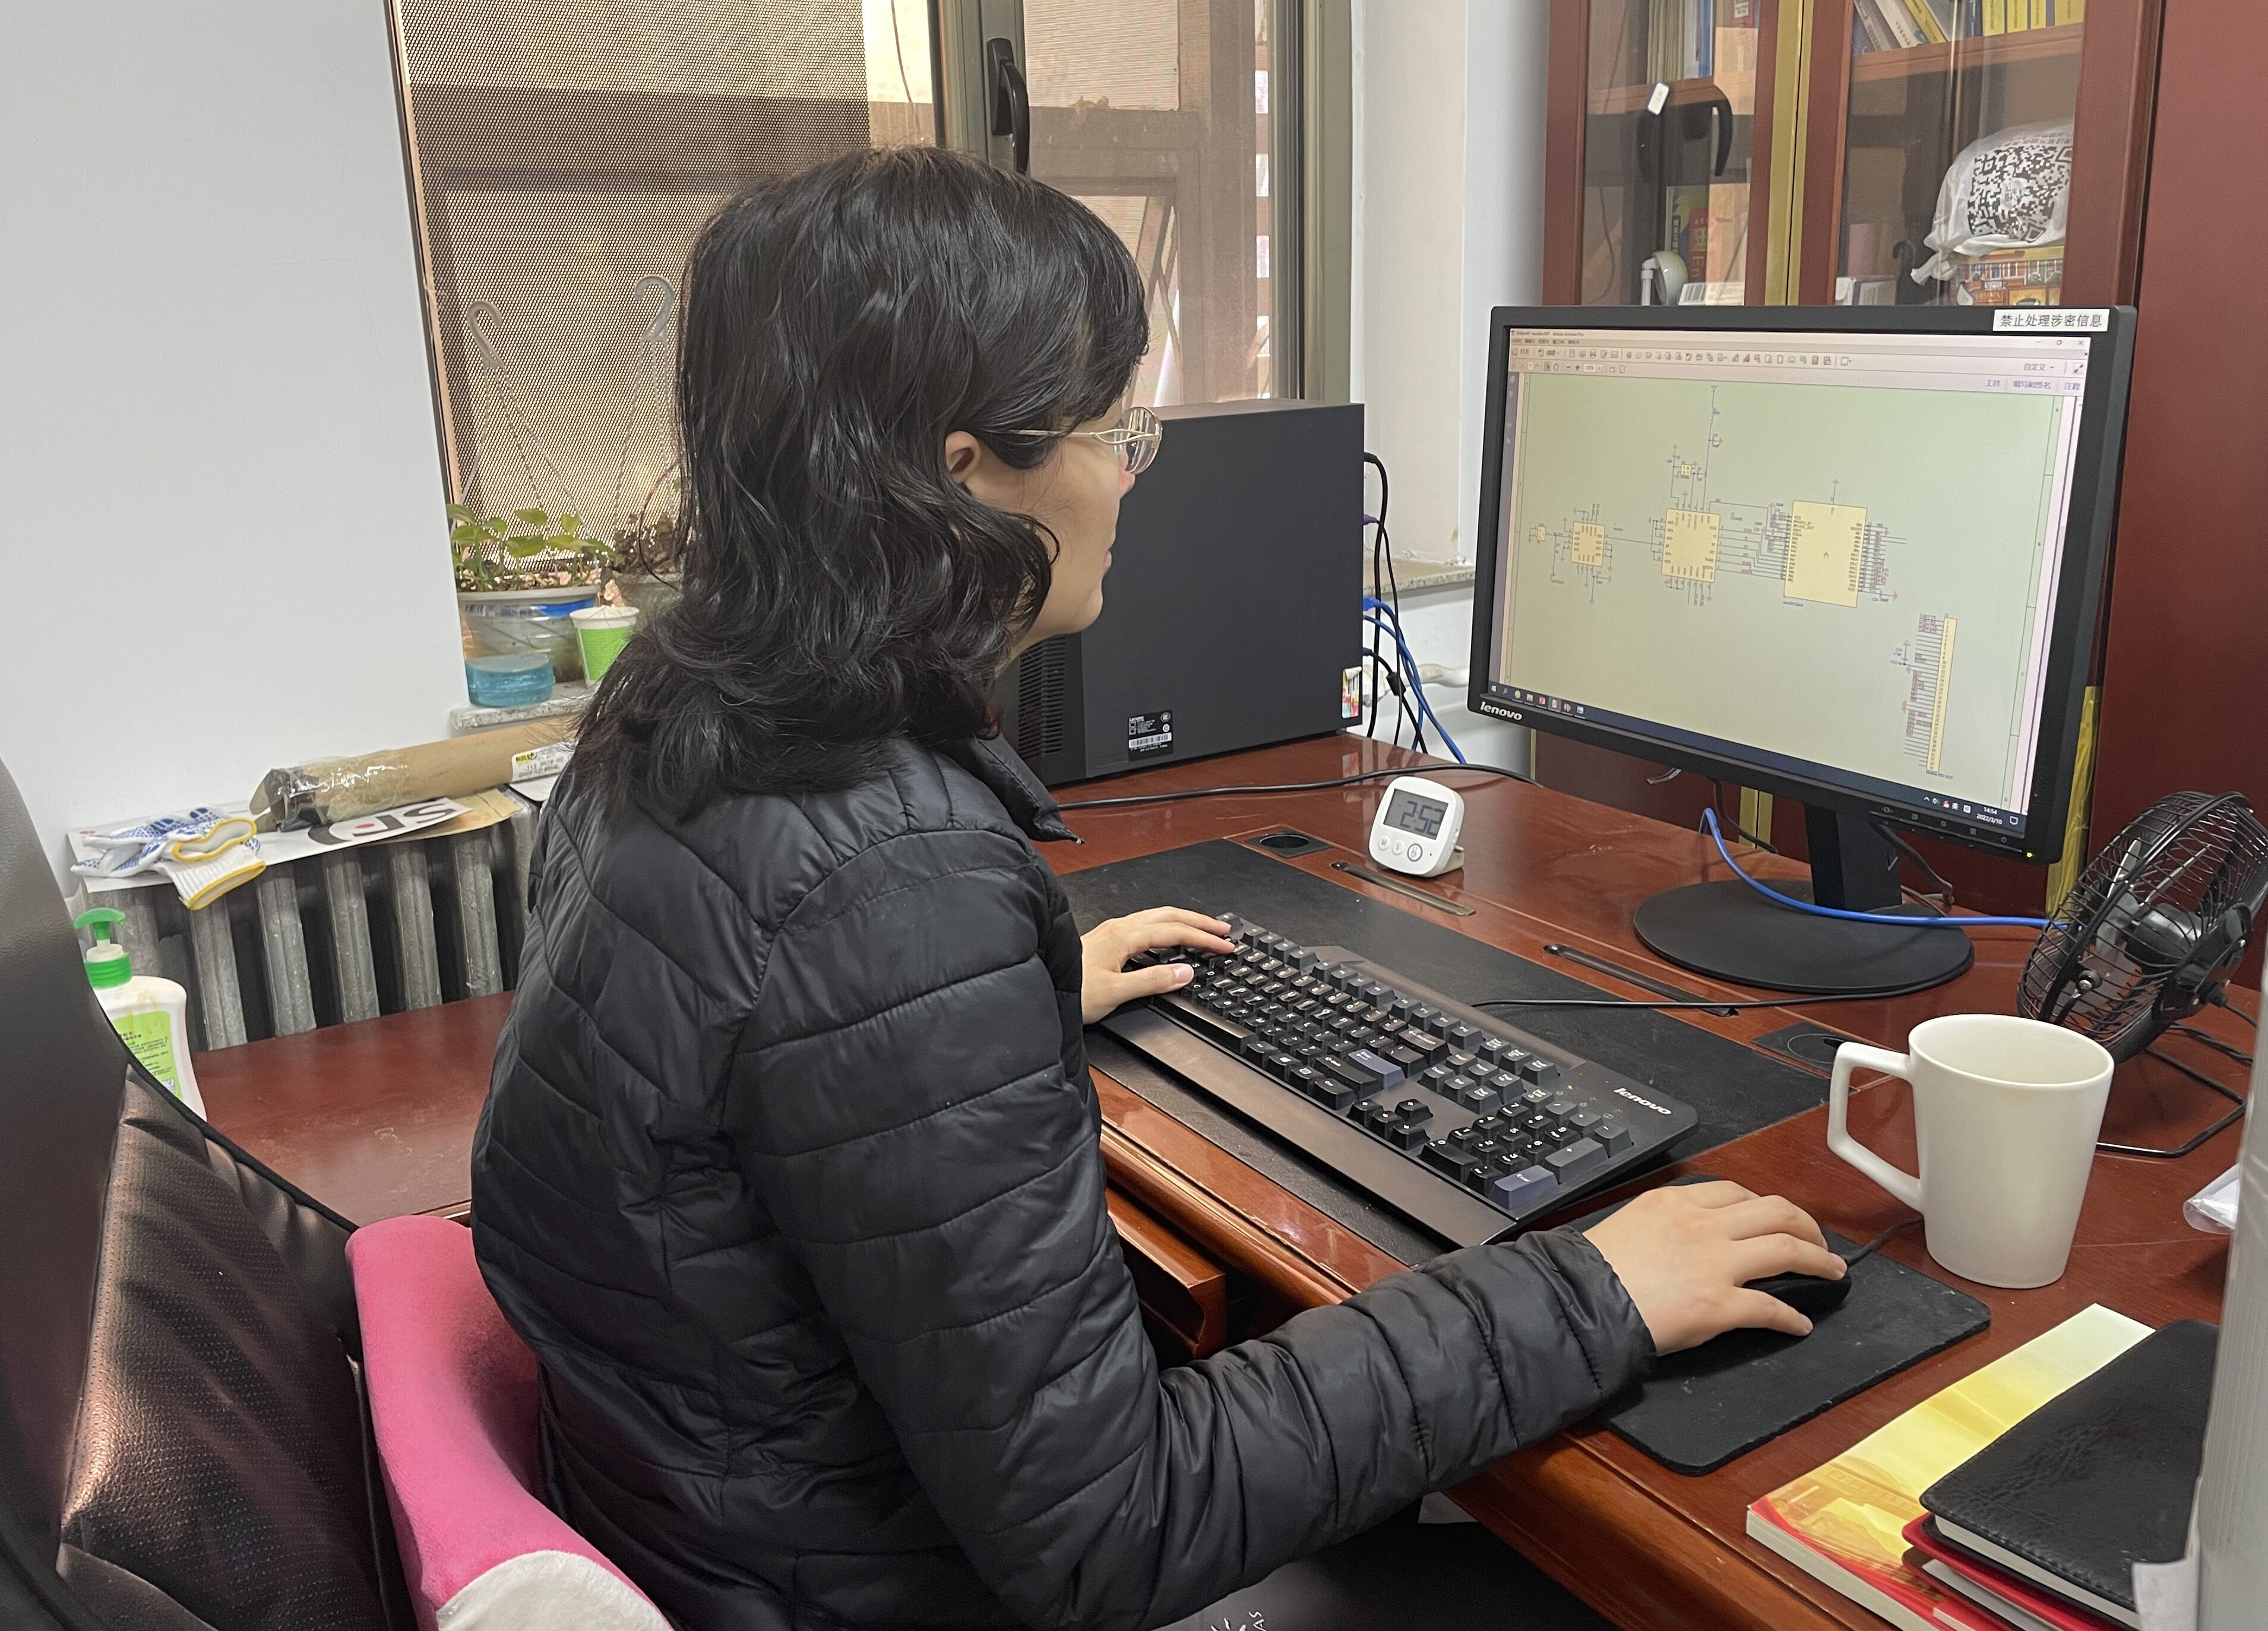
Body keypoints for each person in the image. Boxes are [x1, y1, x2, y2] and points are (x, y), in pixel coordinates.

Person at [470, 146, 1843, 1631]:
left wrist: (989, 1006)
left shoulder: (673, 715)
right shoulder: (886, 878)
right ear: (962, 478)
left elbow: (730, 1038)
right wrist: (1591, 1291)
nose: (1131, 479)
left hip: (719, 1524)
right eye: (1116, 432)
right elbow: (1112, 1531)